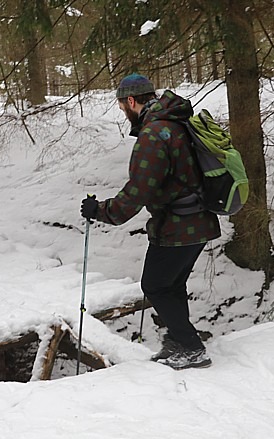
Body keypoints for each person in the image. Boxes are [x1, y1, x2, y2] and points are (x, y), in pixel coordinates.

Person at [80, 74, 220, 370]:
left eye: (122, 107)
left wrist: (100, 211)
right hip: (198, 221)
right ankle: (178, 341)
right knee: (173, 284)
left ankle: (192, 347)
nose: (123, 113)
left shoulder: (154, 133)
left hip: (178, 225)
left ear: (131, 101)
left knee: (154, 286)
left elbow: (139, 189)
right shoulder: (176, 121)